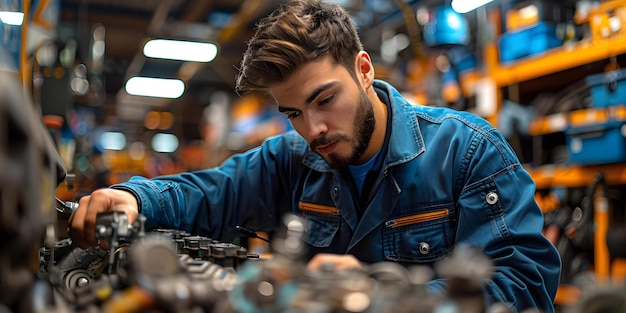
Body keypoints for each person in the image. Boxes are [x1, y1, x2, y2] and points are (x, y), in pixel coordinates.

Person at [68, 0, 561, 311]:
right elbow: (210, 192)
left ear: (363, 69)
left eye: (325, 100)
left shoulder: (468, 151)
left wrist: (388, 296)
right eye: (293, 113)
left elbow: (525, 284)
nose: (314, 129)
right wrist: (134, 197)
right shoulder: (293, 159)